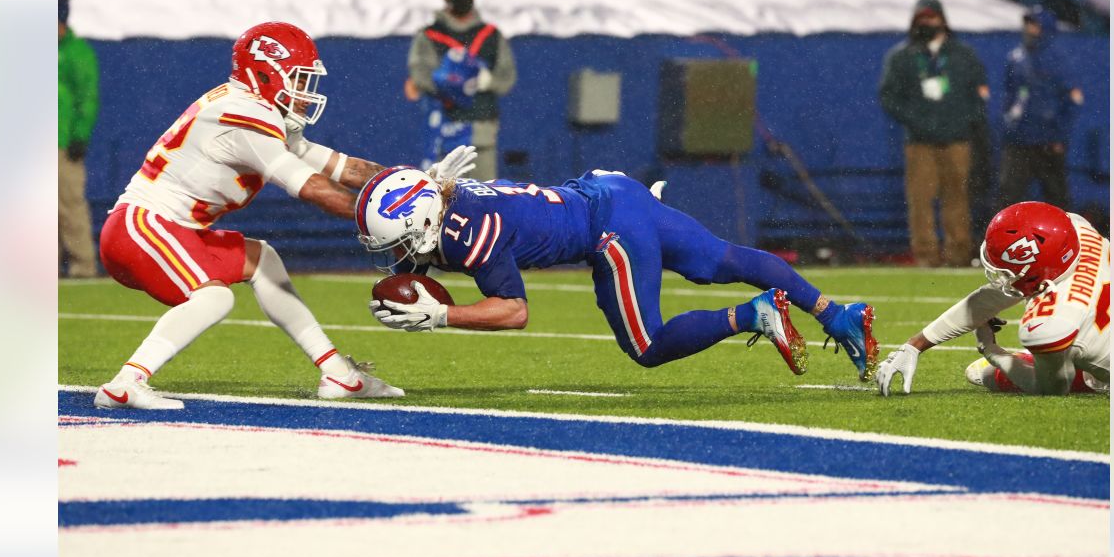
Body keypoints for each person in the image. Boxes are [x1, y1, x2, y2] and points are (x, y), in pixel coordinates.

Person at [92, 21, 476, 410]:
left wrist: (417, 183)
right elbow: (312, 187)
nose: (306, 92)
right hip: (142, 227)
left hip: (167, 229)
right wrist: (386, 217)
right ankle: (126, 383)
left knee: (262, 260)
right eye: (298, 78)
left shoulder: (257, 111)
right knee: (214, 299)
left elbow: (344, 168)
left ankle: (338, 375)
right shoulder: (246, 116)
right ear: (266, 72)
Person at [357, 169, 878, 380]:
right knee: (724, 260)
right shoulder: (450, 200)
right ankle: (836, 314)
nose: (397, 254)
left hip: (608, 229)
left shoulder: (470, 234)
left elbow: (514, 312)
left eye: (399, 240)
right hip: (612, 189)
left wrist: (443, 315)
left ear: (425, 223)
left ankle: (754, 313)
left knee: (647, 345)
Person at [875, 201, 1110, 397]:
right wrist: (914, 345)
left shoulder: (1053, 323)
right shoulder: (1077, 230)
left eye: (1007, 271)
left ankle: (1090, 379)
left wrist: (993, 351)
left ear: (1039, 271)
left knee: (982, 373)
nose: (1000, 275)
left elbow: (1052, 389)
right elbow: (992, 298)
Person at [879, 0, 991, 267]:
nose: (926, 23)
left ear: (942, 20)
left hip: (957, 140)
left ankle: (959, 254)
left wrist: (960, 123)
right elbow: (888, 97)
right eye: (921, 19)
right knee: (920, 200)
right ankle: (926, 256)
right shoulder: (903, 56)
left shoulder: (962, 55)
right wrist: (917, 122)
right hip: (920, 142)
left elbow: (979, 95)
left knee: (957, 198)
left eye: (931, 18)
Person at [406, 0, 516, 181]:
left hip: (482, 126)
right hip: (445, 127)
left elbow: (507, 77)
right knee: (446, 194)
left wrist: (487, 81)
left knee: (487, 193)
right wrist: (451, 83)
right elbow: (420, 74)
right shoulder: (429, 35)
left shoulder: (491, 35)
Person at [999, 5, 1085, 209]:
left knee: (1057, 199)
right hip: (1019, 139)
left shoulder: (1059, 60)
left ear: (1046, 28)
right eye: (1027, 25)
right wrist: (1009, 125)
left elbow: (1073, 102)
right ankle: (1006, 240)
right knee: (1009, 196)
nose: (1030, 30)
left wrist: (1059, 135)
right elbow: (1010, 96)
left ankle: (1065, 240)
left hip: (1049, 141)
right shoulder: (1015, 58)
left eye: (1035, 25)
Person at [59, 0, 101, 278]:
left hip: (62, 143)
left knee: (70, 203)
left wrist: (79, 136)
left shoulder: (76, 53)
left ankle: (82, 266)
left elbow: (87, 99)